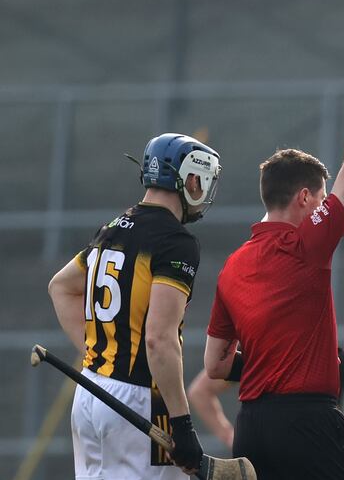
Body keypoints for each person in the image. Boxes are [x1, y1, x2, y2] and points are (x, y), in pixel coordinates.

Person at [202, 36, 344, 480]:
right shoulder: (306, 244)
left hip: (250, 427)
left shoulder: (232, 266)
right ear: (306, 198)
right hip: (308, 423)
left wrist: (267, 362)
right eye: (322, 197)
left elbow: (215, 366)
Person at [47, 133, 221, 479]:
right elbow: (159, 339)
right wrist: (182, 424)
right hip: (139, 399)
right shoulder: (176, 242)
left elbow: (61, 287)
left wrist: (102, 352)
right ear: (190, 178)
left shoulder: (112, 228)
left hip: (92, 388)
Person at [187, 344, 344, 450]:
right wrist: (228, 435)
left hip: (319, 456)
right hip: (272, 455)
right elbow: (200, 391)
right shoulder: (257, 352)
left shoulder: (340, 357)